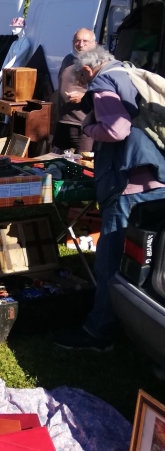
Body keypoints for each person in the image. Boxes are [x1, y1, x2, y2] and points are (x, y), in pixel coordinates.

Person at [54, 46, 165, 351]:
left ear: (88, 70)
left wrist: (88, 126)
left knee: (110, 261)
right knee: (149, 260)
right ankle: (137, 326)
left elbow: (116, 129)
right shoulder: (132, 73)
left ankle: (98, 332)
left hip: (127, 184)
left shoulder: (104, 81)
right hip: (157, 179)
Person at [52, 28, 97, 153]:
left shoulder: (96, 63)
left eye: (85, 41)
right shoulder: (68, 59)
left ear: (94, 44)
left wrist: (84, 96)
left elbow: (104, 92)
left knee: (83, 162)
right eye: (77, 40)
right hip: (63, 120)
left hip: (82, 123)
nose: (80, 44)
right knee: (59, 161)